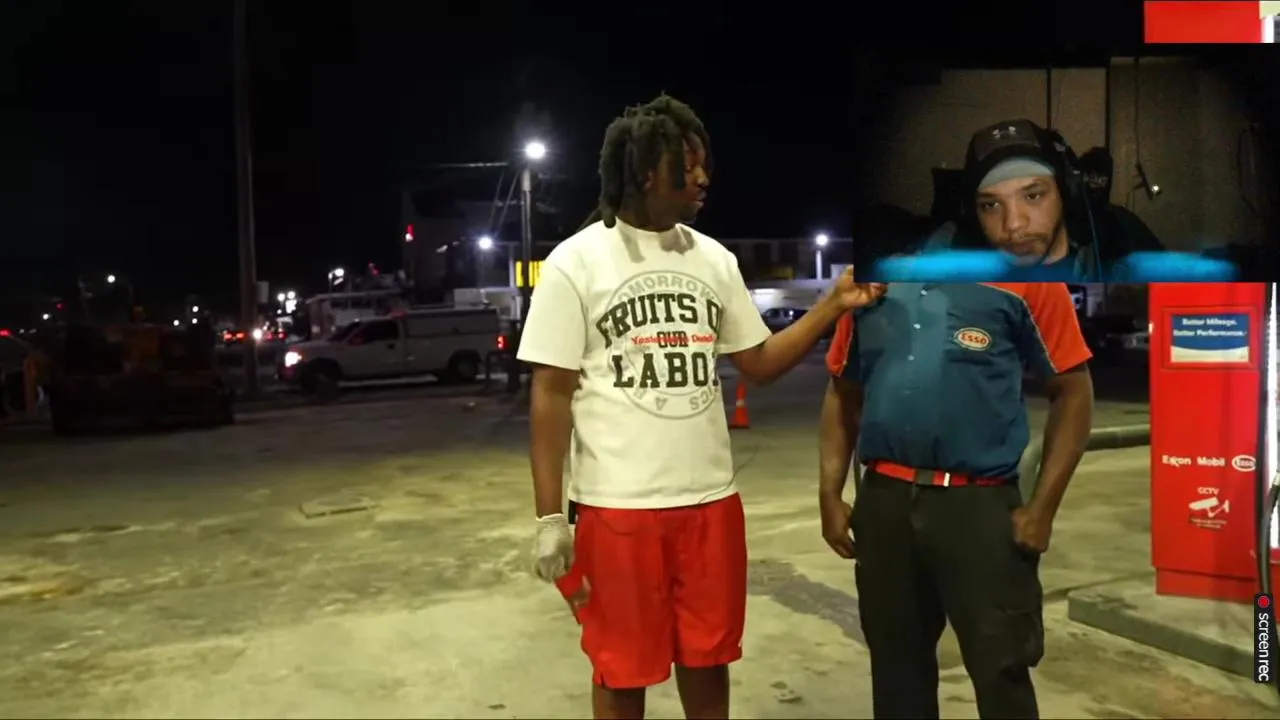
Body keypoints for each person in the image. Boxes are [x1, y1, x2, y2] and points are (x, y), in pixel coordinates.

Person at [516, 94, 885, 720]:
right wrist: (550, 516)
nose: (703, 177)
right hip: (618, 509)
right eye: (687, 165)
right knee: (621, 669)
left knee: (709, 658)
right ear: (647, 172)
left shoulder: (714, 259)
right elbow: (551, 394)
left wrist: (831, 305)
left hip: (711, 503)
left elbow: (759, 362)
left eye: (703, 163)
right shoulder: (575, 262)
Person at [819, 282, 1094, 719]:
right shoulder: (873, 283)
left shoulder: (1026, 278)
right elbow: (842, 391)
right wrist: (829, 493)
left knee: (1001, 666)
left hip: (979, 504)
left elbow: (1074, 391)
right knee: (895, 668)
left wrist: (1042, 510)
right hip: (885, 502)